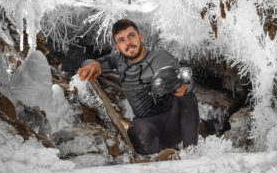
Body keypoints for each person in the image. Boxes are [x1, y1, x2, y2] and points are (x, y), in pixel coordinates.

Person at [77, 19, 199, 156]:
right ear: (117, 47)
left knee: (188, 97)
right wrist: (93, 64)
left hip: (172, 122)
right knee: (141, 132)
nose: (128, 43)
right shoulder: (118, 60)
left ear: (140, 37)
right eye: (121, 40)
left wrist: (184, 87)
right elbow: (88, 63)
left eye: (131, 36)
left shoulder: (160, 56)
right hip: (146, 124)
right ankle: (159, 160)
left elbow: (187, 79)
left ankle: (191, 155)